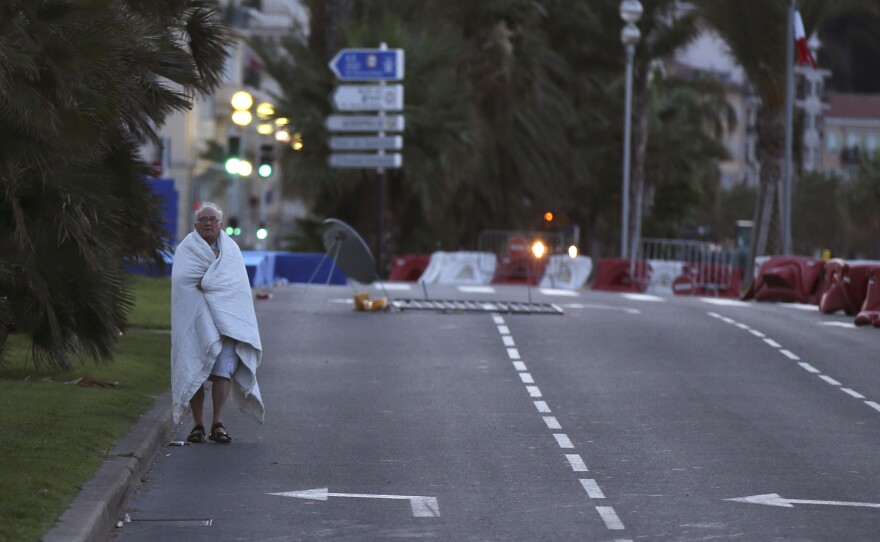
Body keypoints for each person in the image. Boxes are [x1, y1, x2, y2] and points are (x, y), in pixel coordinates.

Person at [170, 202, 265, 444]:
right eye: (203, 220)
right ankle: (198, 424)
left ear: (221, 224)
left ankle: (218, 423)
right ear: (195, 225)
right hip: (195, 320)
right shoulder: (186, 249)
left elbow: (236, 286)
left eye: (213, 219)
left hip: (226, 323)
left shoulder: (231, 251)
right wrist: (208, 282)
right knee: (195, 368)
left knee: (223, 371)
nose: (208, 223)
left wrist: (210, 282)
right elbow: (184, 280)